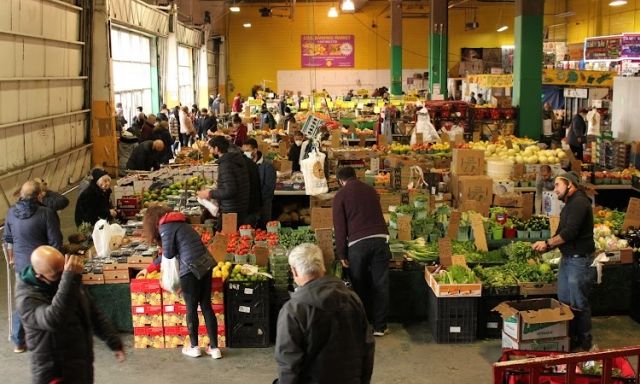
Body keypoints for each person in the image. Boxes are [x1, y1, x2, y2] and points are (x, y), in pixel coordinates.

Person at [16, 246, 125, 382]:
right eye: (57, 275)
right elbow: (54, 319)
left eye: (63, 269)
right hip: (55, 373)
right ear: (39, 276)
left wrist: (114, 341)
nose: (62, 276)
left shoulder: (69, 279)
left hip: (79, 365)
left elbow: (92, 312)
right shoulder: (27, 298)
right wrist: (69, 278)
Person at [274, 243, 375, 384]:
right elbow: (367, 347)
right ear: (322, 267)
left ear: (294, 271)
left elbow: (289, 365)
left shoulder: (294, 310)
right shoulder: (352, 299)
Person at [137, 206, 221, 359]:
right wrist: (150, 268)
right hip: (206, 265)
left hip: (190, 270)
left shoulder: (165, 227)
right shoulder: (182, 223)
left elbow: (168, 255)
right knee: (206, 306)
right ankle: (215, 349)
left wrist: (158, 254)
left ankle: (194, 347)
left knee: (191, 308)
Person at [532, 171, 595, 352]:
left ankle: (584, 341)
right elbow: (561, 232)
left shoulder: (580, 203)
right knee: (565, 300)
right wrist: (545, 247)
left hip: (579, 261)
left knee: (578, 302)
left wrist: (547, 243)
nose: (555, 189)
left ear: (570, 185)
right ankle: (571, 337)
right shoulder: (569, 205)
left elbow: (570, 233)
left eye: (558, 185)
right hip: (568, 259)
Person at [3, 181, 63, 353]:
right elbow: (55, 241)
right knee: (49, 299)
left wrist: (11, 258)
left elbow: (7, 239)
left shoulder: (10, 213)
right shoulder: (46, 213)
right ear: (39, 195)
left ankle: (18, 341)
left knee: (23, 300)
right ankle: (49, 337)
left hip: (21, 265)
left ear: (20, 194)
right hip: (43, 264)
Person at [332, 166, 391, 336]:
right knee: (381, 284)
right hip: (381, 239)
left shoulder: (340, 196)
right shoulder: (370, 190)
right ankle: (380, 326)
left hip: (358, 243)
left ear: (340, 181)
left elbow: (340, 228)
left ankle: (361, 326)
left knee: (359, 285)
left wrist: (341, 254)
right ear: (355, 176)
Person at [197, 136, 250, 230]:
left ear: (216, 149)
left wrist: (209, 193)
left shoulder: (226, 164)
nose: (209, 151)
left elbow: (229, 191)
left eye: (210, 148)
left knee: (227, 238)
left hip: (231, 209)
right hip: (240, 206)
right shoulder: (236, 160)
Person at [243, 138, 277, 227]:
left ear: (255, 150)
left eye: (248, 150)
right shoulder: (244, 164)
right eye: (244, 151)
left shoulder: (267, 166)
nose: (246, 153)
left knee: (263, 230)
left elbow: (269, 188)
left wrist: (257, 200)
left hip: (263, 206)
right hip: (249, 206)